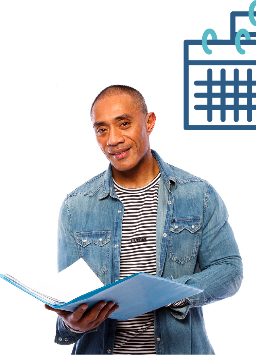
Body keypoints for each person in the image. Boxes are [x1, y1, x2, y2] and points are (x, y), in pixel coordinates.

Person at [45, 85, 243, 354]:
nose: (112, 140)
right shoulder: (75, 206)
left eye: (124, 124)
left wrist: (171, 293)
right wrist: (71, 325)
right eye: (101, 129)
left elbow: (229, 270)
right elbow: (70, 303)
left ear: (149, 123)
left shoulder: (199, 195)